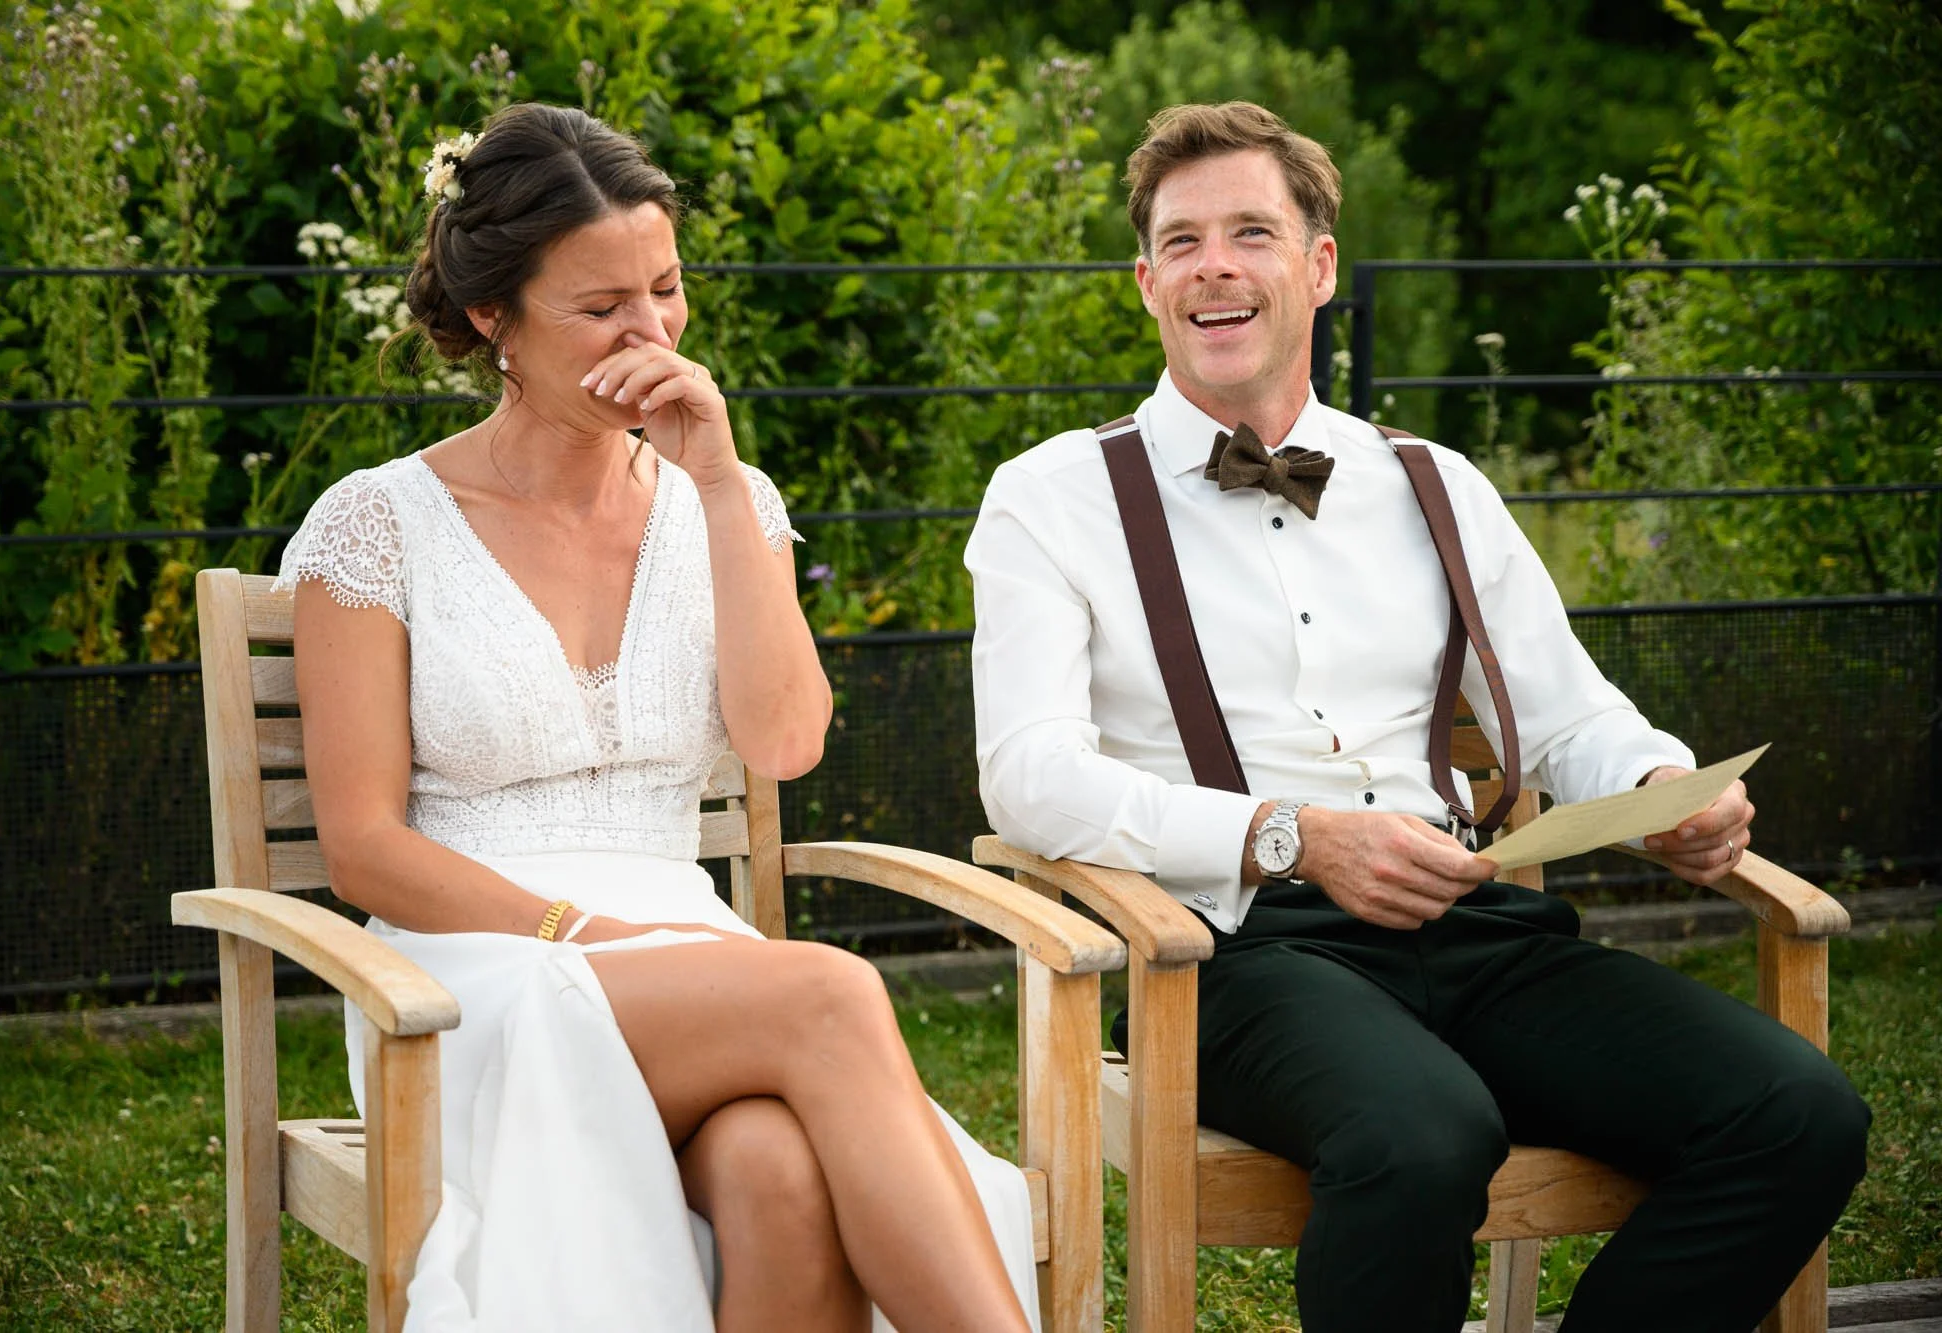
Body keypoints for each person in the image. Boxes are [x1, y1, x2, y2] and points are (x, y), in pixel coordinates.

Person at [965, 100, 1869, 1332]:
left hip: (1476, 928)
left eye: (1250, 233)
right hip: (1237, 955)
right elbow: (1025, 776)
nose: (1213, 266)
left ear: (1318, 266)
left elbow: (1566, 714)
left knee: (1797, 1114)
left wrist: (1663, 787)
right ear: (1145, 284)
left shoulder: (1430, 481)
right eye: (1180, 242)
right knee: (1421, 1135)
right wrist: (1289, 835)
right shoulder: (1048, 498)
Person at [277, 103, 1039, 1333]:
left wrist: (720, 483)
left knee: (775, 1171)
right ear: (493, 316)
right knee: (833, 993)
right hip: (469, 978)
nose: (653, 332)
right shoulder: (378, 523)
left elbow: (784, 743)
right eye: (602, 307)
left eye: (667, 289)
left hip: (685, 952)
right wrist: (574, 929)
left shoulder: (723, 501)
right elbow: (363, 848)